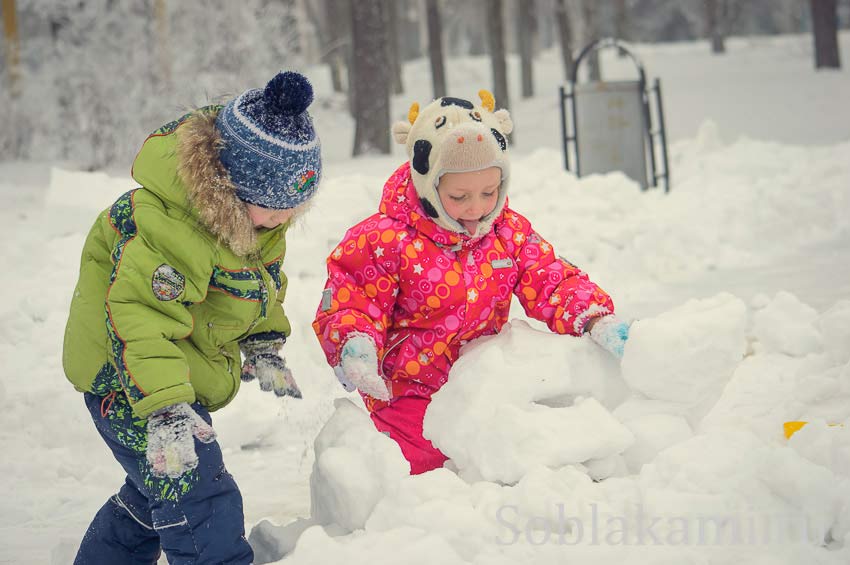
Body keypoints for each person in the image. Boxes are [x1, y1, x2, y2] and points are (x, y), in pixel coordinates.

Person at [63, 71, 321, 564]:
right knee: (197, 497)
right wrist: (165, 408)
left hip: (162, 379)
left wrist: (263, 341)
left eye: (294, 208)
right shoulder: (170, 228)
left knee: (151, 500)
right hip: (129, 383)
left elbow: (259, 285)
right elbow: (139, 317)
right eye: (272, 208)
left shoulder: (255, 220)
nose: (282, 219)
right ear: (231, 186)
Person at [313, 91, 629, 476]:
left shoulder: (507, 232)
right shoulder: (384, 240)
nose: (477, 208)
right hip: (408, 392)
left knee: (507, 460)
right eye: (459, 196)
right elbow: (353, 297)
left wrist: (593, 316)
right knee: (427, 477)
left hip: (482, 384)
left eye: (489, 192)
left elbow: (550, 278)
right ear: (428, 184)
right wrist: (355, 343)